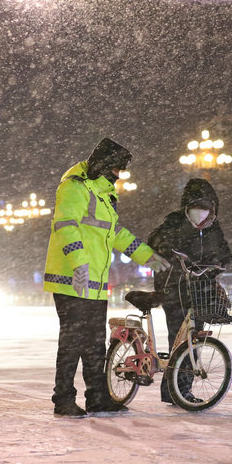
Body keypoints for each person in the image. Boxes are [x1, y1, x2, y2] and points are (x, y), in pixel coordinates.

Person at [43, 137, 170, 418]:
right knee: (72, 343)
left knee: (94, 344)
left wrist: (147, 256)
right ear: (102, 165)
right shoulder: (74, 187)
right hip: (72, 280)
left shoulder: (103, 194)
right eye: (115, 169)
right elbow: (65, 227)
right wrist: (78, 263)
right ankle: (63, 399)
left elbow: (116, 234)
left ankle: (97, 398)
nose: (118, 175)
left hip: (95, 283)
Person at [147, 178, 232, 405]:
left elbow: (224, 252)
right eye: (197, 206)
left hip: (199, 288)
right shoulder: (174, 222)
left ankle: (176, 390)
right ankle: (178, 391)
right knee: (181, 341)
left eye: (206, 208)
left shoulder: (213, 228)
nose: (201, 213)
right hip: (173, 288)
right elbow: (154, 240)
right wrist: (167, 247)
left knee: (191, 342)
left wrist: (219, 261)